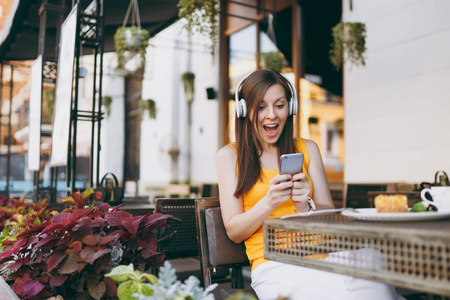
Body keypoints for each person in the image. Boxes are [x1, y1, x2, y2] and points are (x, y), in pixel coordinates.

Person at [216, 69, 404, 300]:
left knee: (372, 259)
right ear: (245, 110)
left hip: (326, 254)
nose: (272, 115)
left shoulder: (308, 148)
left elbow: (331, 214)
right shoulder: (230, 157)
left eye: (279, 105)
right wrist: (269, 202)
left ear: (291, 108)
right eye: (261, 106)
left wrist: (307, 206)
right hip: (274, 263)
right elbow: (234, 231)